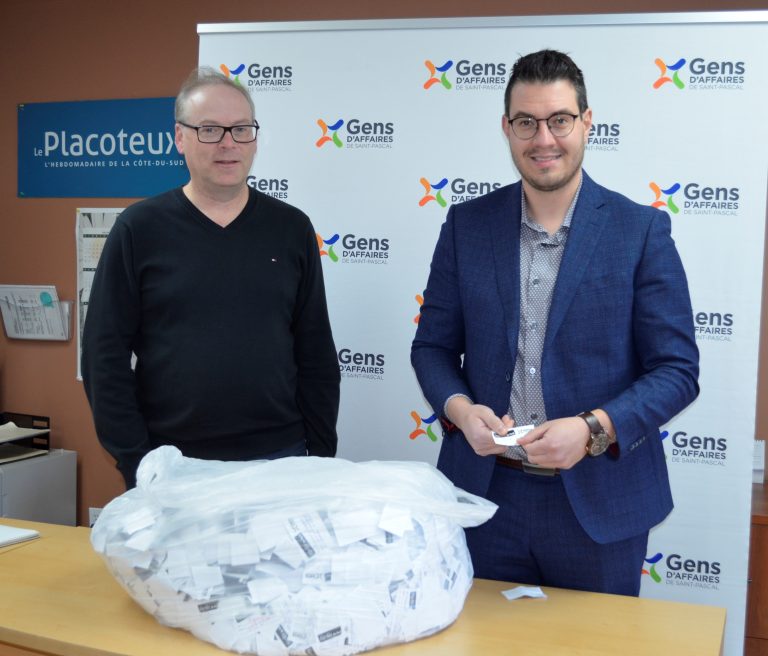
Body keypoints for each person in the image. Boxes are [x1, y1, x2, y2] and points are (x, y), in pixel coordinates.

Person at [411, 49, 699, 596]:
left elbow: (677, 371)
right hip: (485, 499)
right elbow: (432, 348)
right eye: (527, 122)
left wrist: (593, 429)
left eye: (559, 120)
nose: (544, 138)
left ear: (587, 122)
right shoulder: (467, 226)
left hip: (599, 503)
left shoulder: (640, 231)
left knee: (597, 641)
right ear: (507, 128)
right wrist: (461, 411)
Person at [82, 67, 340, 489]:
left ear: (254, 138)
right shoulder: (138, 229)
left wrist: (320, 457)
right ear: (179, 138)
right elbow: (102, 357)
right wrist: (138, 463)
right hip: (173, 467)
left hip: (280, 462)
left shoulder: (291, 228)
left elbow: (316, 354)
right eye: (209, 130)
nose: (227, 143)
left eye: (241, 129)